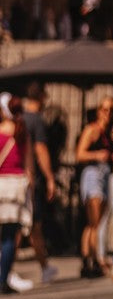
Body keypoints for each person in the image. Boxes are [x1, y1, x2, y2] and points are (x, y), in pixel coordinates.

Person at [21, 82, 57, 285]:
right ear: (41, 97)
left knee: (24, 226)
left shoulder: (18, 120)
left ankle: (45, 266)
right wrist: (50, 177)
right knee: (32, 225)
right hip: (31, 180)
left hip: (16, 178)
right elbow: (41, 150)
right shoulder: (37, 121)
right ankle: (44, 267)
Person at [75, 97, 113, 277]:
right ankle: (88, 259)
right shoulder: (91, 130)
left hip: (105, 175)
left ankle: (92, 258)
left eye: (111, 110)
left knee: (97, 222)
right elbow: (79, 154)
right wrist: (97, 154)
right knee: (93, 222)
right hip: (93, 176)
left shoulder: (109, 132)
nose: (108, 114)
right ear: (98, 111)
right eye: (105, 110)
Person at [0, 93, 35, 294]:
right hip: (15, 188)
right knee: (9, 236)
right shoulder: (22, 132)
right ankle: (2, 280)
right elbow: (29, 167)